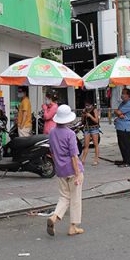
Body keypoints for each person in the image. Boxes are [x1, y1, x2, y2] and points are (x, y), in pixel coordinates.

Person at [46, 105, 84, 237]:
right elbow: (74, 155)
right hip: (72, 169)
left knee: (64, 196)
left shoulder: (51, 132)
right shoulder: (70, 134)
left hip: (60, 169)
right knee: (75, 198)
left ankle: (55, 216)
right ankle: (73, 227)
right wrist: (78, 173)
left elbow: (51, 151)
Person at [113, 88, 130, 167]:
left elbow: (118, 111)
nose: (122, 95)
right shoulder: (122, 103)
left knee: (125, 145)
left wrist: (119, 113)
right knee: (121, 144)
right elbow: (117, 112)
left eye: (124, 93)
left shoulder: (129, 104)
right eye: (122, 93)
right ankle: (124, 160)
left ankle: (128, 161)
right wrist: (119, 114)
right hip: (119, 126)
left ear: (128, 95)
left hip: (124, 127)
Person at [79, 100, 100, 166]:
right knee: (86, 145)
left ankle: (96, 159)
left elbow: (96, 121)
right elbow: (82, 121)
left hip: (94, 128)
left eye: (88, 105)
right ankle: (83, 160)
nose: (87, 107)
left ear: (92, 105)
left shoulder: (94, 110)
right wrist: (83, 115)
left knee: (95, 144)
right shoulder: (84, 110)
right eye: (86, 105)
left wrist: (90, 116)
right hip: (87, 129)